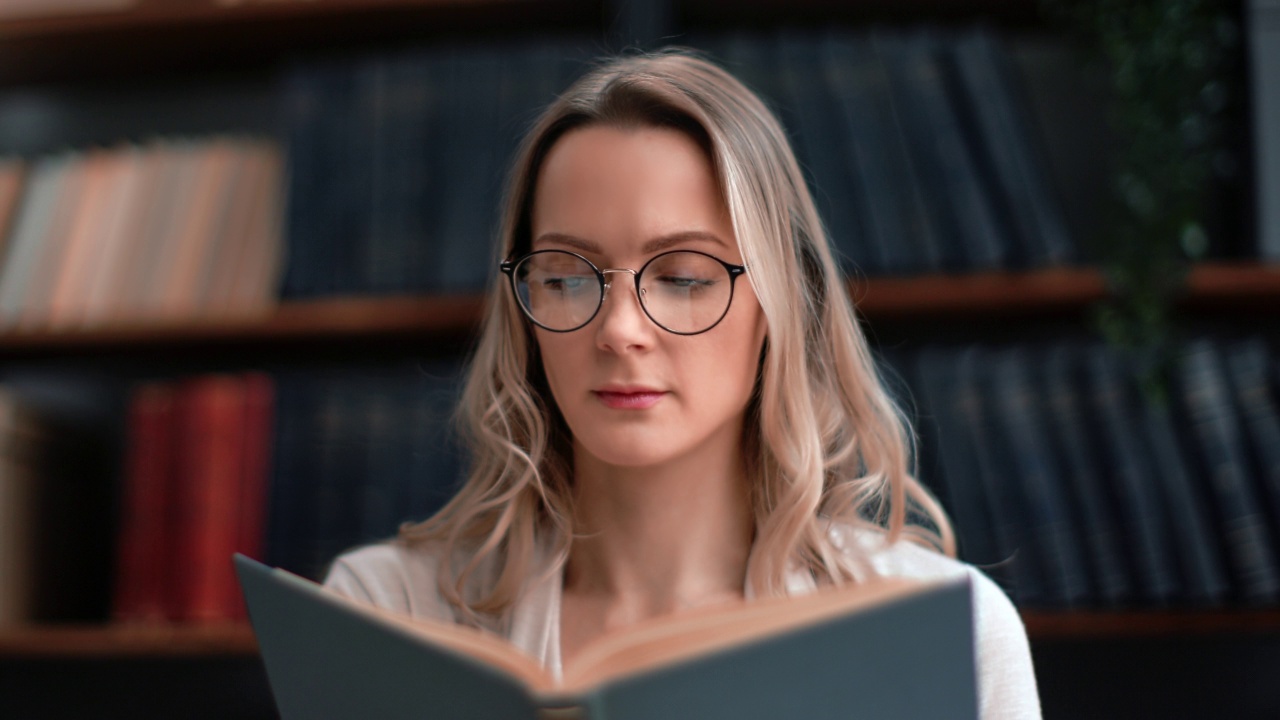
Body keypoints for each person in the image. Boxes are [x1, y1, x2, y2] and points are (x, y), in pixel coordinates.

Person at [324, 49, 1041, 718]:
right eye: (567, 278)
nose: (620, 329)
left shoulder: (949, 632)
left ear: (777, 306)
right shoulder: (385, 612)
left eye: (685, 278)